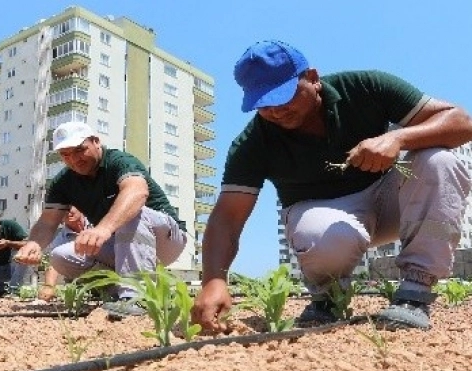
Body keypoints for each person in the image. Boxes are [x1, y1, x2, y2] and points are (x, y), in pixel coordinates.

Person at [191, 40, 472, 332]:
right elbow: (228, 217)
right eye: (263, 103)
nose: (276, 111)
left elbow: (462, 123)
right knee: (319, 235)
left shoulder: (365, 87)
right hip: (331, 218)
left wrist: (398, 139)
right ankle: (328, 299)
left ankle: (416, 291)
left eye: (283, 96)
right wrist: (214, 280)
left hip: (394, 202)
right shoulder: (253, 143)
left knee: (439, 161)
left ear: (312, 78)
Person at [14, 121, 188, 317]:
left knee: (132, 213)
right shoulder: (63, 182)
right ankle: (117, 295)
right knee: (60, 256)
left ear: (96, 142)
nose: (74, 160)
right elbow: (48, 222)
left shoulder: (119, 161)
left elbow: (137, 192)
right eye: (65, 155)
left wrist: (103, 229)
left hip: (164, 238)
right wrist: (34, 244)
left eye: (80, 150)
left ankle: (138, 298)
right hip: (120, 245)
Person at [37, 206, 91, 301]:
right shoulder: (60, 239)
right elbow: (53, 263)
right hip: (83, 280)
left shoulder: (97, 222)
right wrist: (49, 286)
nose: (66, 212)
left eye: (69, 208)